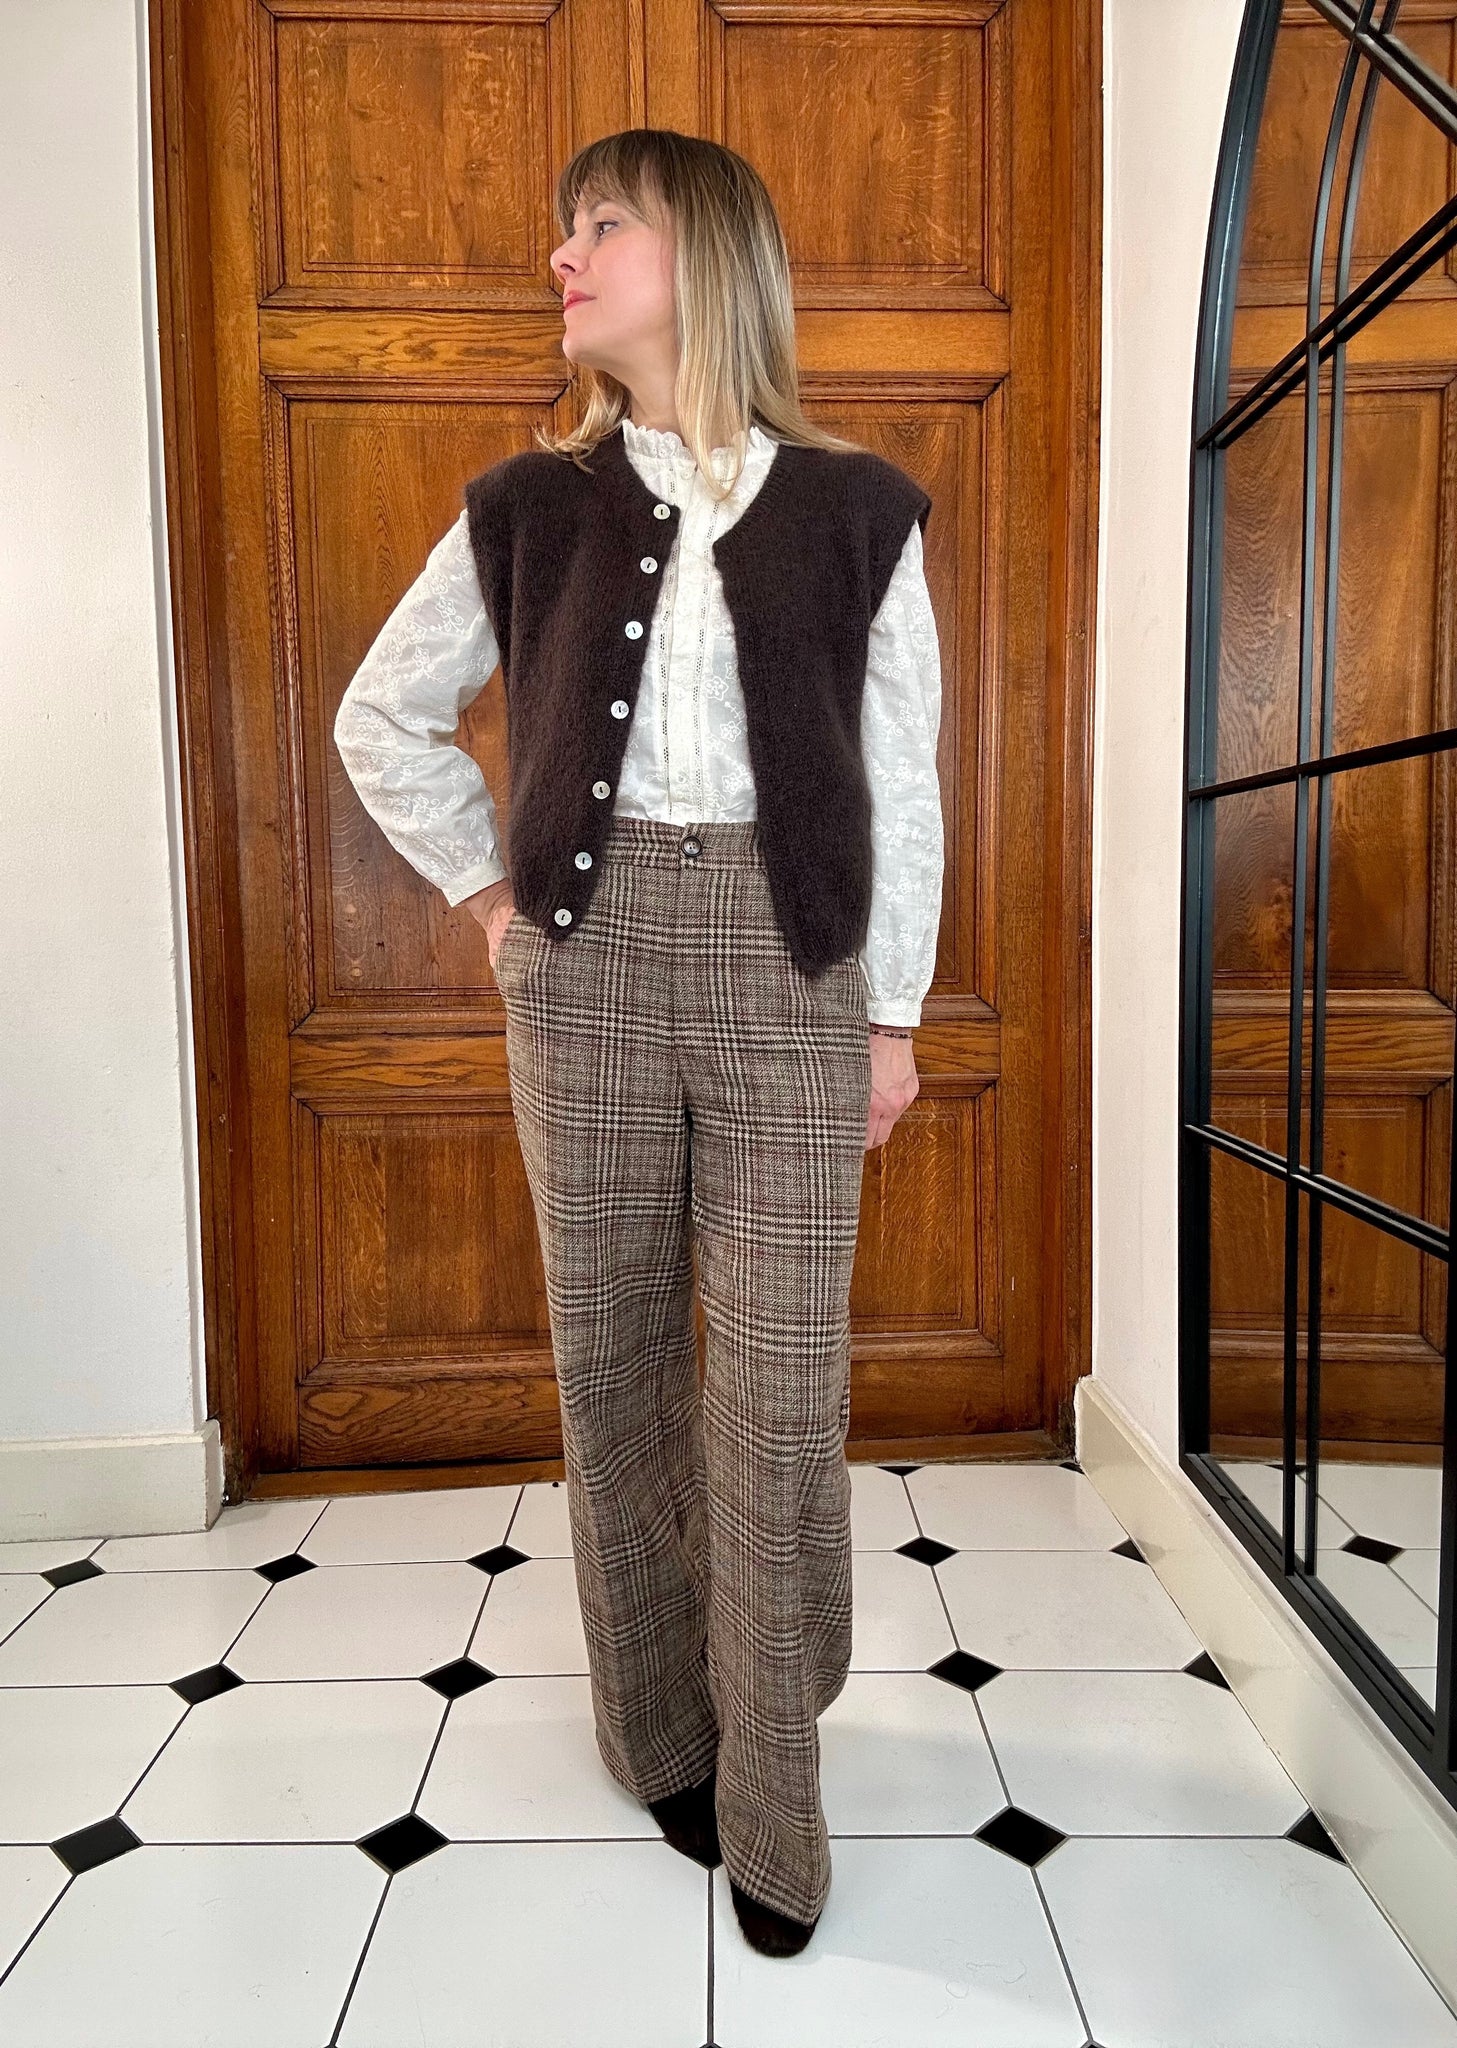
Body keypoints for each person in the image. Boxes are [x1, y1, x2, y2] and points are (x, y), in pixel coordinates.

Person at [334, 127, 942, 1959]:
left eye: (604, 224)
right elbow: (382, 716)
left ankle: (776, 1783)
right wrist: (490, 902)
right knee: (609, 1364)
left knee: (776, 1385)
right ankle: (661, 1733)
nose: (565, 254)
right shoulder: (526, 502)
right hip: (583, 972)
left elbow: (902, 777)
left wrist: (891, 1014)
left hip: (789, 969)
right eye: (566, 226)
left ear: (712, 256)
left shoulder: (858, 508)